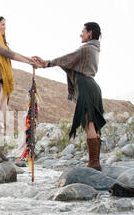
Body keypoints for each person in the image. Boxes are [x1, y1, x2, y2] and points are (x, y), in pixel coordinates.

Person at [33, 22, 106, 171]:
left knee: (89, 124)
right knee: (93, 124)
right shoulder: (94, 49)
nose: (81, 34)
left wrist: (46, 63)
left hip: (86, 87)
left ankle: (94, 163)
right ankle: (95, 162)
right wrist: (47, 64)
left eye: (83, 31)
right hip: (93, 87)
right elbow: (69, 62)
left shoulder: (86, 49)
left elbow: (67, 59)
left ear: (90, 33)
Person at [0, 16, 37, 163]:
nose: (4, 27)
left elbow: (9, 52)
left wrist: (30, 60)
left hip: (2, 85)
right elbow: (7, 54)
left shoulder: (2, 43)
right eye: (2, 25)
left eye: (5, 25)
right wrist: (28, 61)